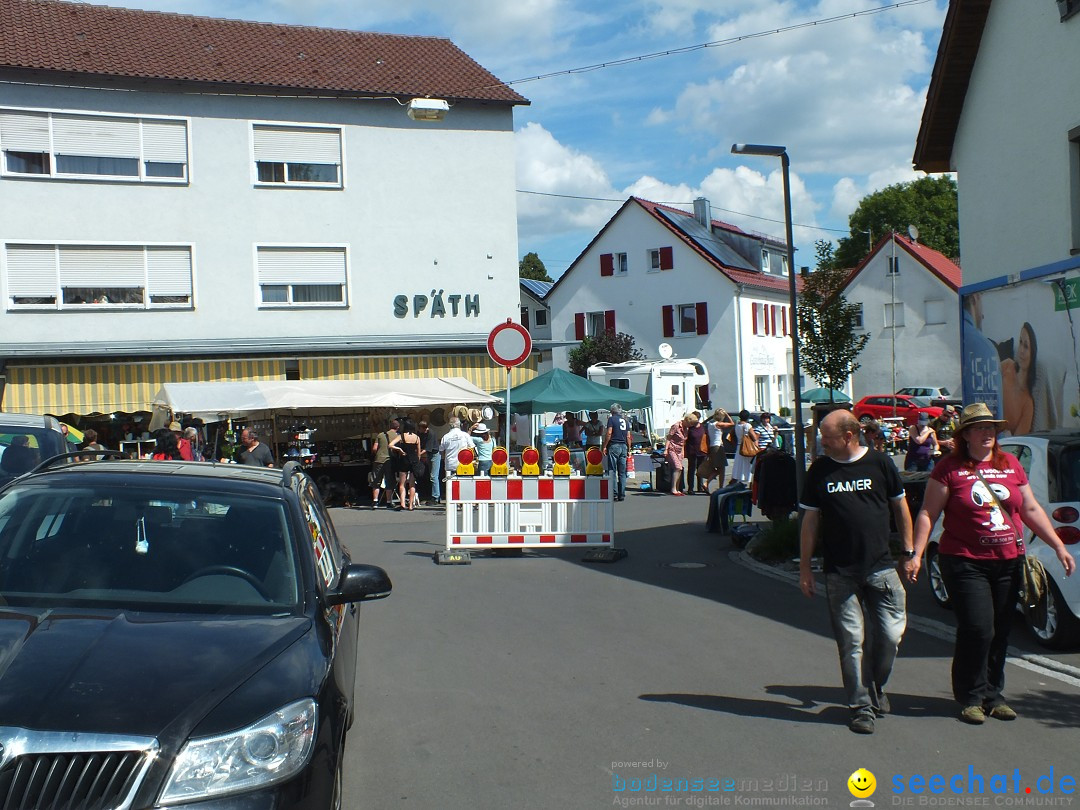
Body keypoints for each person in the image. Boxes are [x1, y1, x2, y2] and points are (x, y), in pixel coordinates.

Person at [904, 402, 1075, 724]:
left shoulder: (1010, 463)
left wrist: (1058, 545)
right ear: (965, 434)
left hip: (1008, 560)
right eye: (980, 428)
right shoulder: (949, 468)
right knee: (978, 628)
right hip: (965, 561)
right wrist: (916, 554)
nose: (988, 433)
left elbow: (1031, 509)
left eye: (991, 428)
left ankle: (994, 694)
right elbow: (928, 513)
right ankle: (970, 696)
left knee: (999, 631)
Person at [798, 409, 911, 735]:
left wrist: (909, 552)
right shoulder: (820, 470)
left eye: (827, 437)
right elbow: (810, 521)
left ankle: (875, 685)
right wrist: (805, 568)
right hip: (839, 572)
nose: (821, 442)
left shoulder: (879, 463)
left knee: (890, 636)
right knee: (851, 643)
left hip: (881, 567)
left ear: (849, 436)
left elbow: (899, 507)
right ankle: (861, 707)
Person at [1001, 322, 1036, 435]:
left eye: (1026, 346)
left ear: (1032, 353)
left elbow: (1017, 442)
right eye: (1020, 342)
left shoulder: (1028, 404)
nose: (1021, 350)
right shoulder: (1007, 366)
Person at [389, 417, 424, 511]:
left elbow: (390, 445)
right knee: (412, 484)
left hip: (404, 460)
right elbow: (419, 452)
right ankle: (411, 505)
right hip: (414, 461)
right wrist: (417, 461)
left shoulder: (401, 436)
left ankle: (403, 503)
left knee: (402, 483)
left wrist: (400, 449)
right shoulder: (417, 437)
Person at [702, 408, 734, 492]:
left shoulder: (710, 424)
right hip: (718, 446)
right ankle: (718, 486)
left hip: (712, 447)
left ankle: (711, 484)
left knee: (717, 468)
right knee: (722, 468)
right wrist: (727, 414)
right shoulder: (718, 424)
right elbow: (732, 423)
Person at [603, 403, 630, 502]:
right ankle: (622, 494)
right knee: (622, 472)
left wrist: (605, 446)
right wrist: (629, 449)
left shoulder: (611, 419)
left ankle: (614, 493)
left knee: (612, 471)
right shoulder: (625, 421)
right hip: (623, 446)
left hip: (614, 445)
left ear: (612, 411)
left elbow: (609, 432)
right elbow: (628, 436)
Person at [369, 418, 399, 509]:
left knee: (376, 481)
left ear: (389, 426)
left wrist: (377, 453)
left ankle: (375, 501)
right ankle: (389, 502)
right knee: (389, 481)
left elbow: (374, 448)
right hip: (390, 461)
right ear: (397, 427)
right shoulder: (398, 436)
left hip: (379, 460)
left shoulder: (380, 435)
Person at [439, 416, 473, 485]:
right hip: (463, 465)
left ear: (449, 425)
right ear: (459, 424)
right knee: (463, 485)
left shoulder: (446, 437)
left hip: (450, 465)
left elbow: (441, 450)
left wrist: (445, 458)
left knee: (450, 486)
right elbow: (472, 448)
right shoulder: (465, 435)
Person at [664, 414, 690, 496]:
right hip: (672, 449)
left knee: (680, 469)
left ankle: (678, 488)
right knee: (677, 467)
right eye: (690, 424)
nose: (690, 426)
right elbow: (669, 437)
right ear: (686, 420)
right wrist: (666, 449)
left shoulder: (686, 428)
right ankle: (673, 488)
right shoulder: (676, 426)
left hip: (680, 450)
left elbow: (683, 442)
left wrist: (683, 452)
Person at [730, 410, 757, 485]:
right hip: (747, 446)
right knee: (747, 464)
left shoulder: (737, 425)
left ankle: (738, 478)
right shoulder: (748, 426)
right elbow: (754, 437)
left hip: (739, 446)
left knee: (739, 464)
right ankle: (746, 478)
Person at [685, 411, 708, 494]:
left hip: (702, 451)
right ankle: (690, 488)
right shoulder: (690, 428)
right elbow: (686, 440)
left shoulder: (703, 427)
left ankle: (700, 487)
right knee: (691, 469)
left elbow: (706, 438)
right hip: (692, 451)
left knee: (700, 470)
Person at [419, 420, 440, 505]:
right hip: (430, 455)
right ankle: (435, 495)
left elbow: (428, 448)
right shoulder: (423, 433)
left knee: (433, 476)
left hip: (434, 455)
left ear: (424, 428)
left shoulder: (431, 433)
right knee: (432, 476)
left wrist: (418, 454)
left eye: (420, 429)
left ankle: (435, 496)